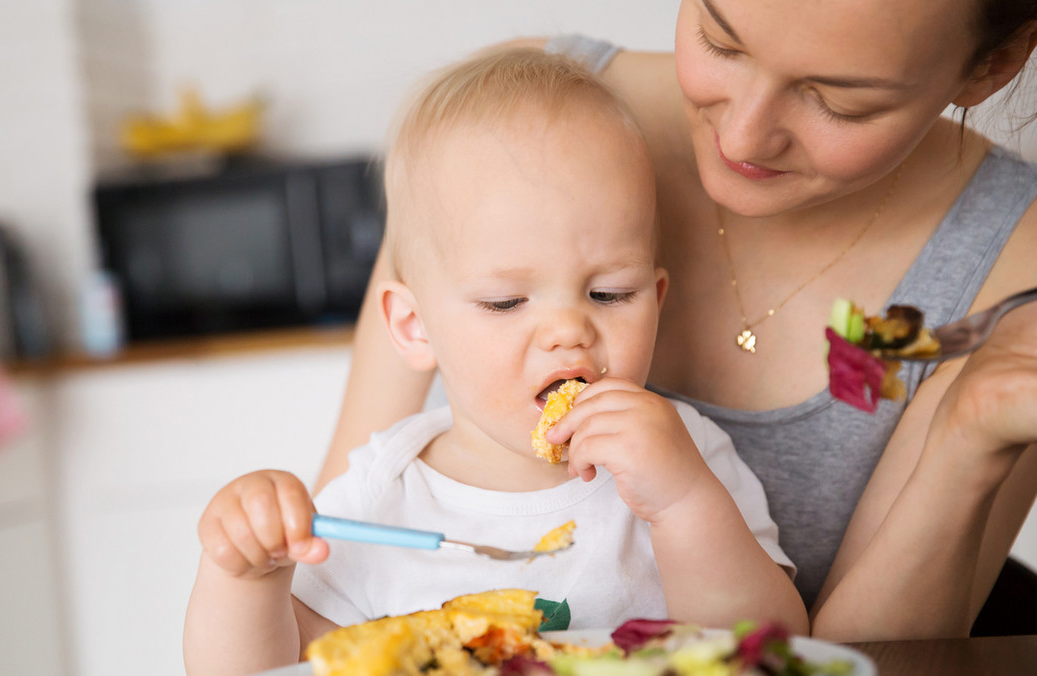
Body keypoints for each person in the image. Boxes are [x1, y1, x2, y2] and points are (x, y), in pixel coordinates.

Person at [318, 0, 1037, 642]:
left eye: (840, 102)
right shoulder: (503, 119)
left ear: (992, 66)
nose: (745, 136)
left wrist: (968, 439)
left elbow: (828, 658)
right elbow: (321, 566)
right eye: (721, 40)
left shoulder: (1016, 258)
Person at [183, 48, 808, 676]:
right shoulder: (382, 494)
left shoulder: (685, 455)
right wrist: (245, 578)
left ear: (657, 299)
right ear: (414, 326)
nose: (569, 331)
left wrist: (683, 503)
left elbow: (778, 647)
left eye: (610, 293)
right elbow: (272, 666)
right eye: (506, 302)